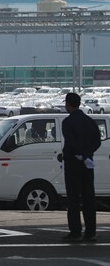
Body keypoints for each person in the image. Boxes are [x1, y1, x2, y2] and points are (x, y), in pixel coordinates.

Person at [61, 92, 101, 243]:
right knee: (89, 197)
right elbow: (97, 141)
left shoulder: (67, 122)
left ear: (68, 104)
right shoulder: (90, 121)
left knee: (73, 199)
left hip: (73, 164)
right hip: (88, 164)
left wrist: (79, 154)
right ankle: (91, 232)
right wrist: (87, 154)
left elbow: (70, 142)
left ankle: (75, 231)